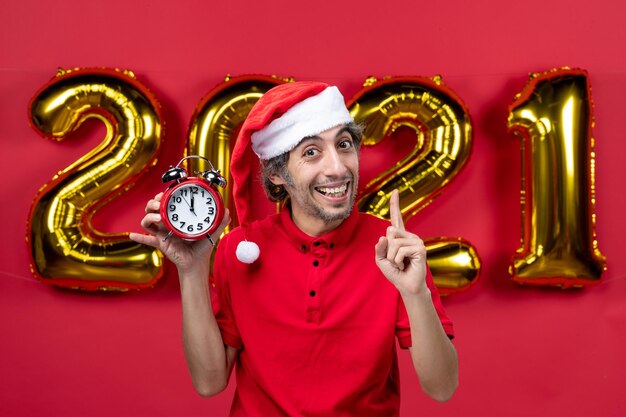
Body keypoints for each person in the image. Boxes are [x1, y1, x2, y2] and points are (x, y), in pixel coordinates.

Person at [130, 81, 458, 416]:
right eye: (312, 152)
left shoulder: (394, 249)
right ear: (277, 174)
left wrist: (416, 293)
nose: (338, 167)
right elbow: (209, 382)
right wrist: (191, 270)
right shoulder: (240, 250)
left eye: (344, 145)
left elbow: (442, 388)